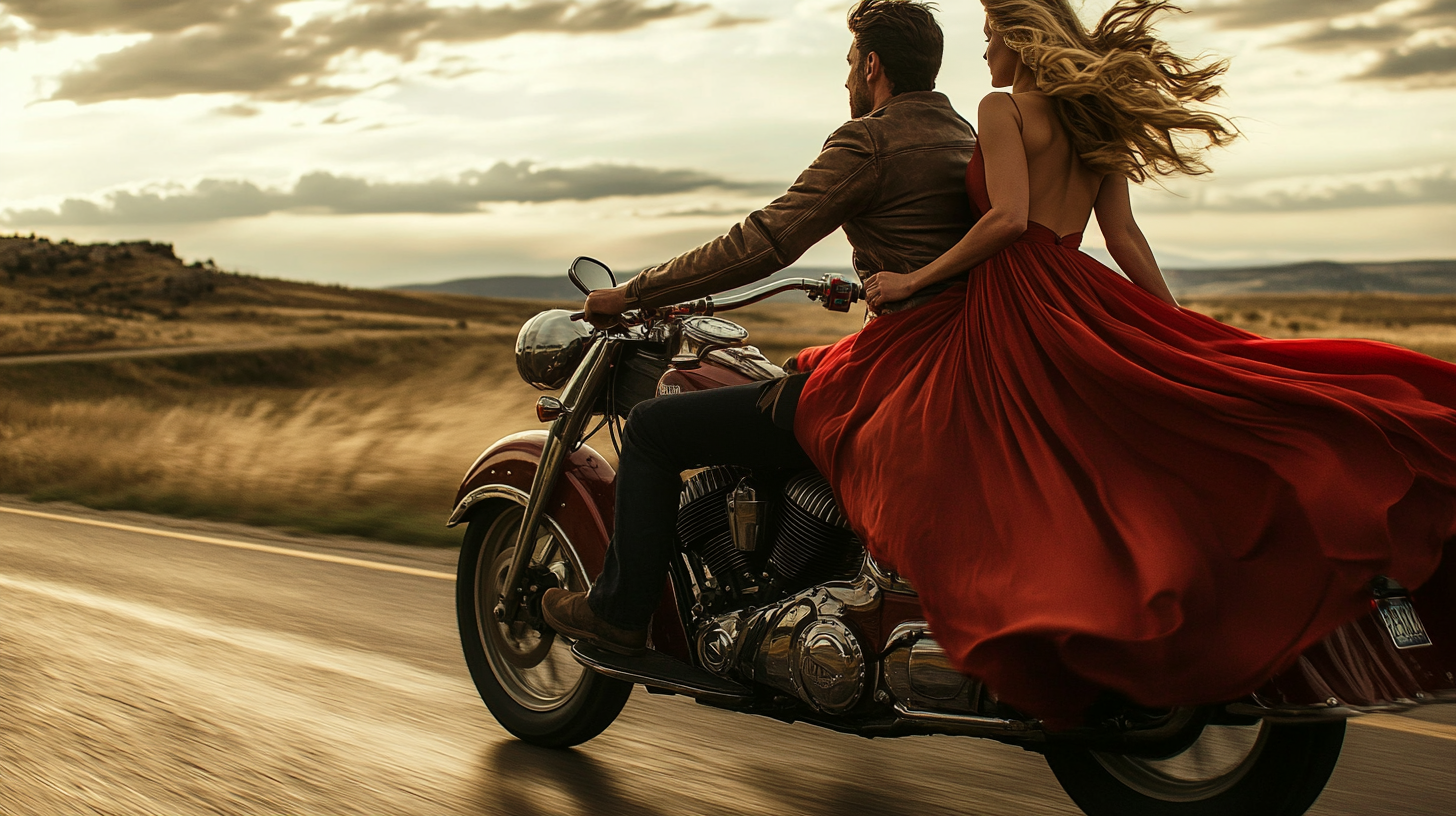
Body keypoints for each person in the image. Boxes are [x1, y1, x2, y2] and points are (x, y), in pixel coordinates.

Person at [792, 0, 1456, 724]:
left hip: (1019, 301)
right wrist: (1176, 331)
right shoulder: (1093, 119)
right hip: (1078, 287)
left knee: (1011, 469)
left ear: (1018, 39)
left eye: (989, 40)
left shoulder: (1000, 109)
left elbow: (1009, 219)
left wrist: (913, 282)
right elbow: (1126, 238)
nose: (984, 58)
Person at [542, 0, 977, 652]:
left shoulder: (872, 140)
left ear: (873, 64)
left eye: (850, 63)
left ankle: (621, 611)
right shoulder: (962, 136)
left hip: (899, 376)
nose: (847, 80)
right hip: (956, 368)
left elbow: (764, 241)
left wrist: (633, 291)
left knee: (658, 429)